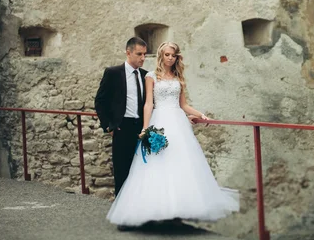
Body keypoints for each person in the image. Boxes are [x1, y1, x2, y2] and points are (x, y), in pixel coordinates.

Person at [106, 41, 240, 228]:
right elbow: (148, 104)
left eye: (173, 55)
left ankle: (177, 213)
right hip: (159, 120)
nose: (170, 58)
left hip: (178, 123)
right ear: (161, 56)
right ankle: (153, 213)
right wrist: (145, 128)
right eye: (167, 55)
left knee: (180, 164)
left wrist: (200, 114)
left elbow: (183, 105)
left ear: (177, 57)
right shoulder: (151, 76)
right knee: (156, 165)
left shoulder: (179, 77)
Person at [94, 37, 148, 196]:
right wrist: (108, 125)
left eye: (145, 54)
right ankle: (121, 214)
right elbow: (100, 101)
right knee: (122, 172)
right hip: (122, 127)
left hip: (142, 128)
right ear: (128, 52)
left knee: (143, 171)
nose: (143, 58)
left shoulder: (146, 75)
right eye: (139, 54)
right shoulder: (113, 73)